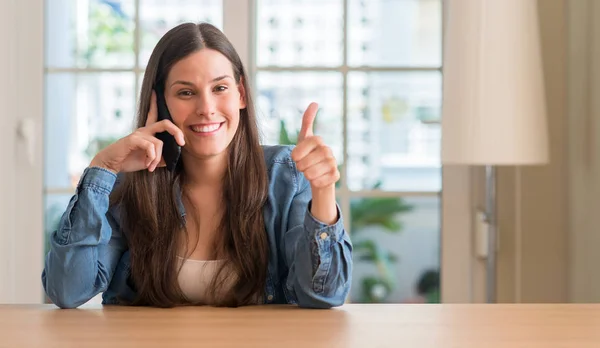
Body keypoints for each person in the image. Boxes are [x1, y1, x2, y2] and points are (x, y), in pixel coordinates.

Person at [42, 22, 353, 309]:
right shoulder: (132, 184)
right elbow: (68, 290)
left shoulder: (285, 175)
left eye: (220, 88)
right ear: (161, 102)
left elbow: (324, 295)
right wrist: (102, 168)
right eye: (186, 93)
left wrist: (323, 192)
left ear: (241, 94)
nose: (206, 109)